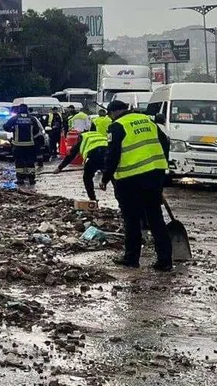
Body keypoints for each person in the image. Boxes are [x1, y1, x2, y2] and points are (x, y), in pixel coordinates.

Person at [99, 99, 173, 271]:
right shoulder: (148, 120)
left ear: (113, 113)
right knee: (155, 217)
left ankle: (131, 258)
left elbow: (112, 155)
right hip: (154, 174)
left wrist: (105, 178)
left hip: (130, 179)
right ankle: (165, 261)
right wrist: (160, 164)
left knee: (131, 219)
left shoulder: (117, 126)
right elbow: (165, 141)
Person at [56, 125, 108, 201]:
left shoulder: (82, 137)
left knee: (87, 177)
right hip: (108, 153)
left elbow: (71, 155)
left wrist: (59, 168)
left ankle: (93, 200)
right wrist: (105, 180)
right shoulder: (99, 134)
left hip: (93, 155)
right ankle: (121, 202)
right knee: (113, 174)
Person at [4, 103, 46, 186]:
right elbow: (37, 131)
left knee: (19, 162)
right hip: (30, 145)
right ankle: (31, 179)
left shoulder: (15, 118)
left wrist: (12, 130)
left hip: (18, 145)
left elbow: (5, 127)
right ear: (27, 110)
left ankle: (20, 180)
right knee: (30, 162)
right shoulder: (32, 119)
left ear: (19, 110)